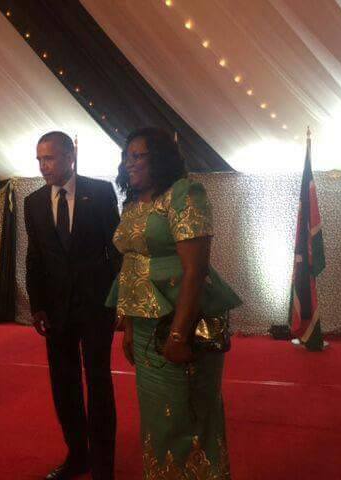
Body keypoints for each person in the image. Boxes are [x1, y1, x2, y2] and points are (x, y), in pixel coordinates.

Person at [106, 127, 242, 479]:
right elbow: (131, 268)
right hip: (146, 324)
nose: (129, 163)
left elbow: (195, 270)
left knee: (188, 414)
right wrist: (130, 327)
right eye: (126, 156)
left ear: (161, 158)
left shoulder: (184, 194)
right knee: (159, 417)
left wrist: (179, 335)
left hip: (182, 321)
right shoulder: (133, 203)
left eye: (138, 156)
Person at [24, 131, 120, 480]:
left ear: (70, 157)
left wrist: (118, 300)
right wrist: (37, 305)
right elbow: (34, 257)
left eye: (49, 158)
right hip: (55, 311)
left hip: (96, 306)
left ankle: (103, 465)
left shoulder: (101, 192)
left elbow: (116, 251)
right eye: (39, 159)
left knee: (98, 384)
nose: (42, 166)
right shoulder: (33, 202)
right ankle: (78, 455)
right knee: (64, 386)